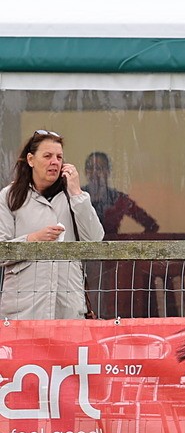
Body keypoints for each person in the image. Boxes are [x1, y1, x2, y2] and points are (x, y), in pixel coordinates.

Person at [0, 130, 105, 319]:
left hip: (68, 307)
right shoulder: (9, 196)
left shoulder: (74, 196)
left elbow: (95, 241)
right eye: (47, 156)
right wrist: (33, 239)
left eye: (59, 157)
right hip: (23, 309)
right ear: (31, 160)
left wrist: (76, 192)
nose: (54, 162)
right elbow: (1, 251)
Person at [84, 151, 159, 236]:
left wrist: (134, 245)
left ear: (108, 172)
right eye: (90, 168)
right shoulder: (76, 196)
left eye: (99, 168)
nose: (94, 172)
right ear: (85, 172)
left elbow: (152, 226)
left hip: (112, 248)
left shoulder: (118, 199)